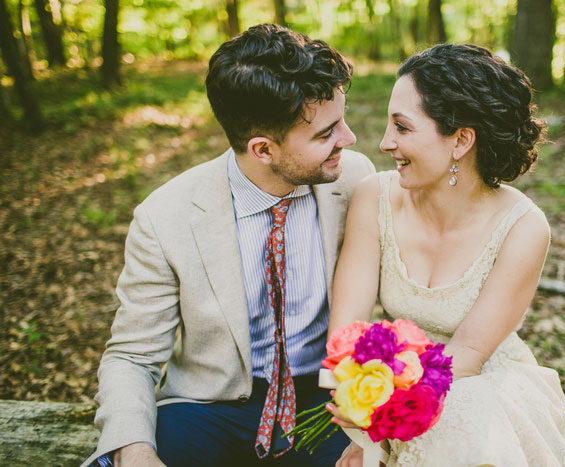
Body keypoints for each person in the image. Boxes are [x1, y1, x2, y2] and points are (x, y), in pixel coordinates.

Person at [81, 24, 375, 467]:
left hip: (327, 403)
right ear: (262, 149)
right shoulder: (166, 216)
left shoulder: (355, 180)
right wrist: (134, 448)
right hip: (211, 409)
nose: (348, 139)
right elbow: (131, 356)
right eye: (326, 134)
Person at [327, 44, 565, 466]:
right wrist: (364, 418)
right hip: (393, 385)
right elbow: (347, 334)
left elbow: (466, 357)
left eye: (402, 127)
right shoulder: (373, 196)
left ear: (461, 140)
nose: (384, 142)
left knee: (462, 421)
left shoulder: (523, 228)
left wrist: (386, 429)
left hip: (489, 385)